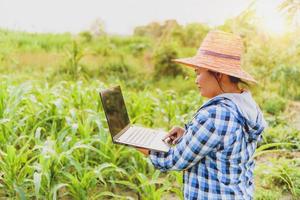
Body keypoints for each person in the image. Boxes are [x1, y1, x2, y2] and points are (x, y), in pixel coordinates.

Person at [136, 30, 267, 199]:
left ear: (219, 74)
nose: (196, 80)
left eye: (198, 72)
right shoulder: (244, 104)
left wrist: (136, 142)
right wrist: (189, 134)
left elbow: (172, 160)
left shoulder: (217, 115)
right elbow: (223, 145)